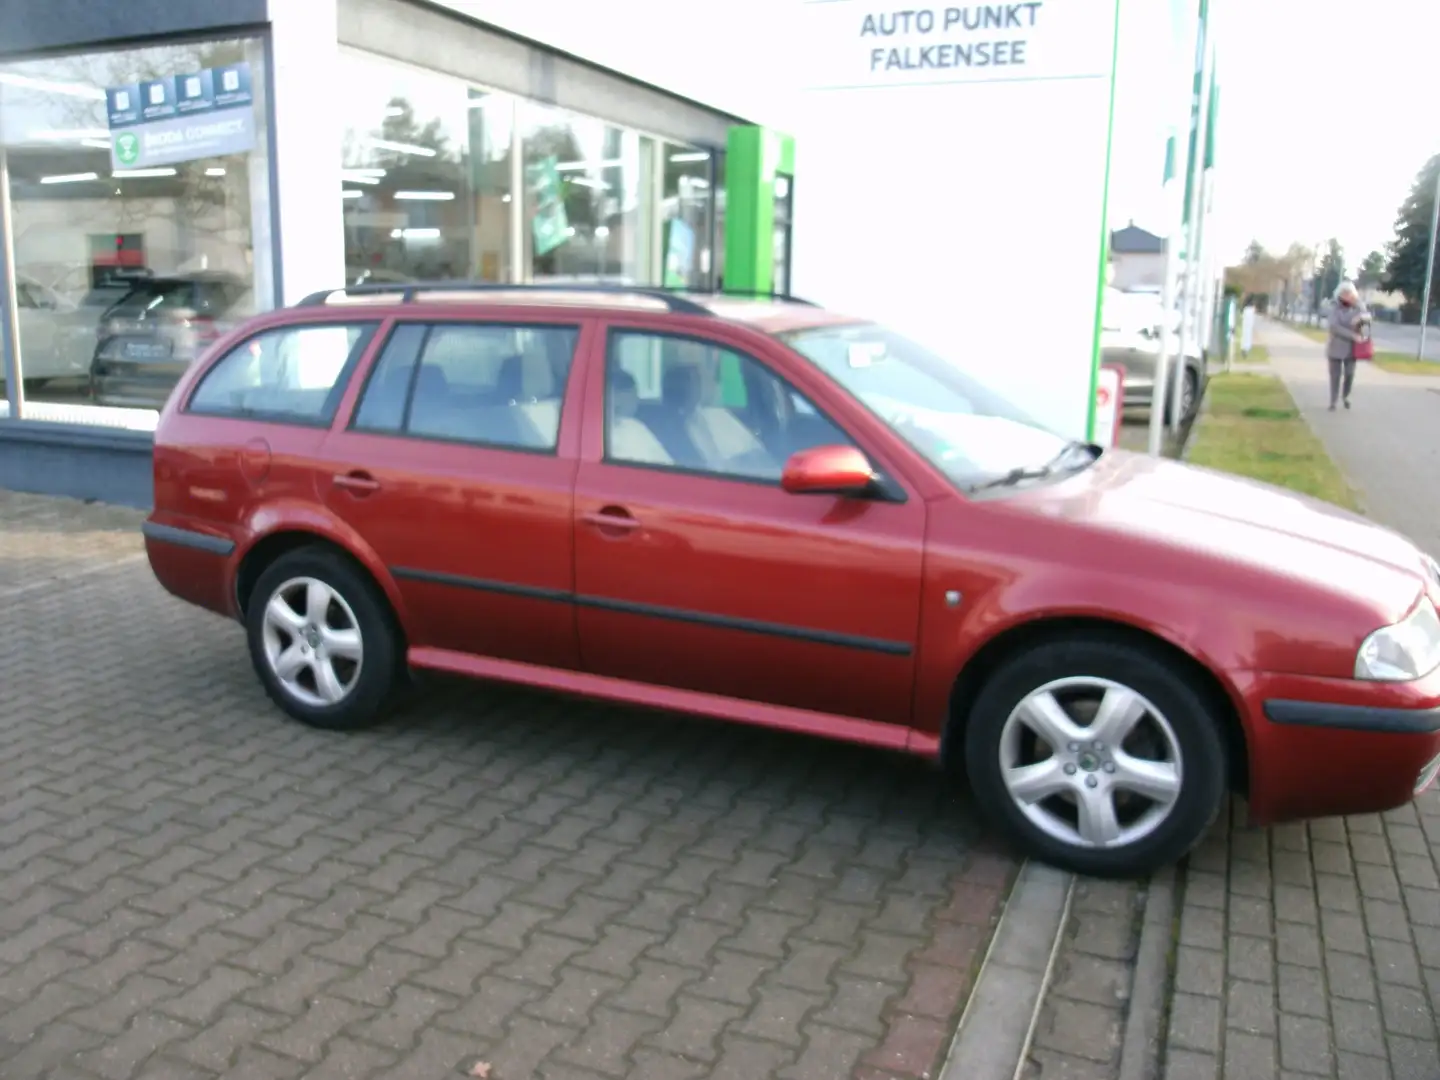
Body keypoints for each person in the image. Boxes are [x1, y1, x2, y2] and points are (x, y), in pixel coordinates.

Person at [1325, 280, 1369, 411]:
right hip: (1335, 347)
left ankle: (1345, 396)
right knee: (1335, 376)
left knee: (1350, 374)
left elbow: (1364, 326)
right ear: (1339, 295)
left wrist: (1361, 309)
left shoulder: (1359, 308)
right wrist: (1352, 334)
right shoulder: (1334, 307)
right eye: (1344, 293)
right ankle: (1333, 401)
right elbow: (1334, 327)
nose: (1347, 296)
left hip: (1352, 349)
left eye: (1349, 293)